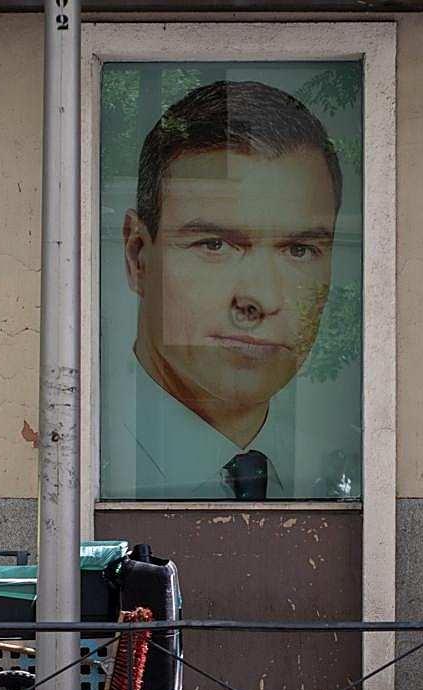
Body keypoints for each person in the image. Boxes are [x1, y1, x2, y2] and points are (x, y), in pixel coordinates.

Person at [117, 79, 344, 500]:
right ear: (138, 257)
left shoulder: (334, 471)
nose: (260, 299)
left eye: (299, 249)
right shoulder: (90, 457)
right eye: (215, 245)